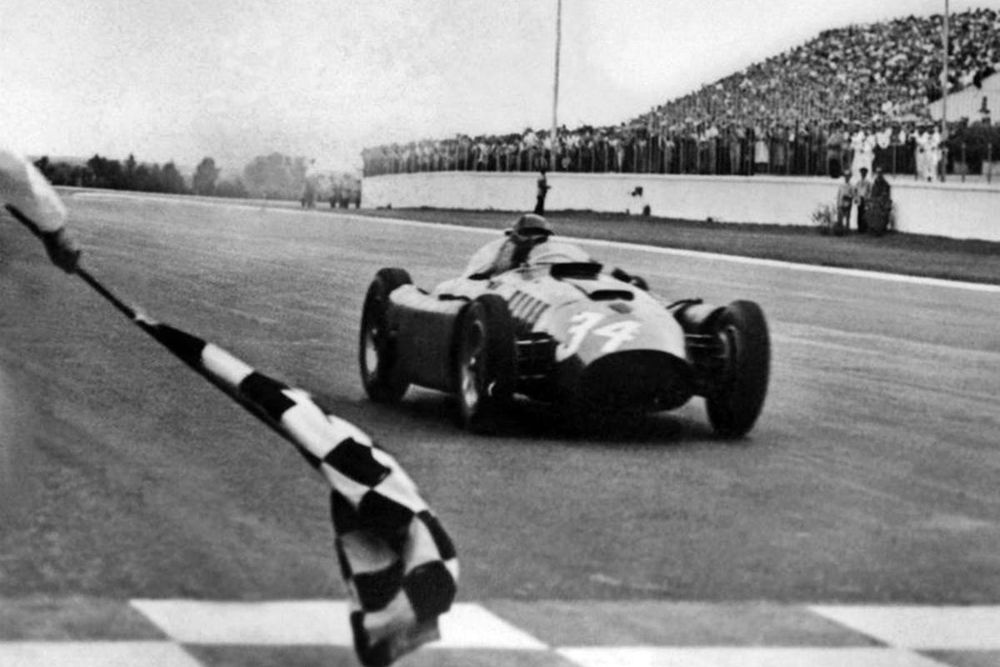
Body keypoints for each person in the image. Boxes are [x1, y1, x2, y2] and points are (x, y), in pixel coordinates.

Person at [465, 213, 554, 278]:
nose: (533, 237)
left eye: (538, 234)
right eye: (529, 233)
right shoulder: (509, 245)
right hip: (506, 281)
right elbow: (498, 266)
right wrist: (484, 275)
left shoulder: (543, 248)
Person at [867, 166, 892, 236]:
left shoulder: (885, 184)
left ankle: (879, 228)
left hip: (882, 202)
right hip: (875, 201)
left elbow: (885, 194)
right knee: (870, 209)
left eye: (880, 172)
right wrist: (871, 200)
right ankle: (872, 227)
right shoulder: (875, 183)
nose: (879, 174)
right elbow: (872, 193)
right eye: (877, 172)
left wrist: (880, 199)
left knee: (879, 211)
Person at [854, 167, 872, 234]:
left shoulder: (868, 183)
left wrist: (868, 198)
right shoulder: (858, 182)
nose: (863, 174)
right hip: (859, 199)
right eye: (862, 173)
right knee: (859, 213)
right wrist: (856, 198)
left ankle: (864, 228)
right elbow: (855, 191)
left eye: (864, 173)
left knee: (865, 213)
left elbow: (870, 191)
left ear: (866, 174)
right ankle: (859, 228)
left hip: (865, 199)